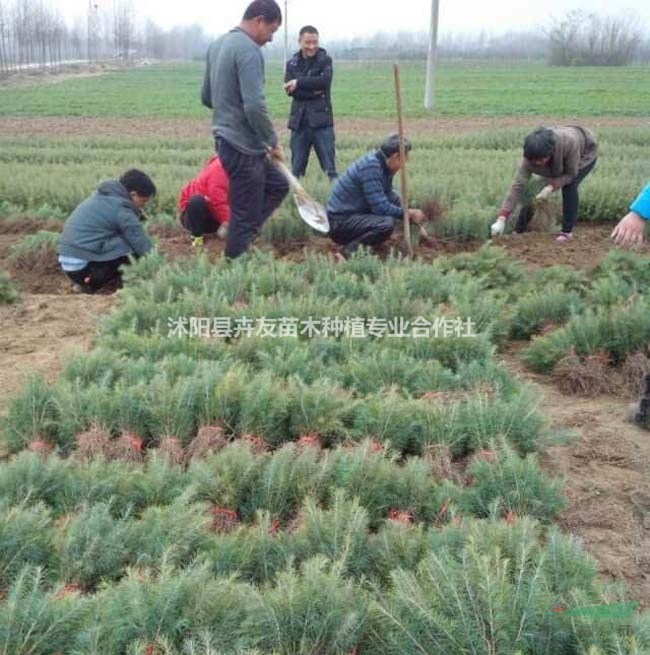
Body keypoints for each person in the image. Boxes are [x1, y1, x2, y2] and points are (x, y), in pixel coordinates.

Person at [201, 0, 289, 259]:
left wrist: (227, 110)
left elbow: (207, 97)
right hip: (243, 146)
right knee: (245, 210)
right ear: (259, 20)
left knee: (278, 183)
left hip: (225, 140)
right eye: (271, 31)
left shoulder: (217, 45)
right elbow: (254, 106)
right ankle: (235, 262)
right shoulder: (249, 50)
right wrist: (272, 140)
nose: (271, 39)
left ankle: (243, 232)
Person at [491, 125, 598, 242]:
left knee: (569, 186)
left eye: (541, 159)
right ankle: (519, 229)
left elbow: (570, 174)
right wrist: (502, 218)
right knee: (532, 190)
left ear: (550, 152)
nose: (538, 163)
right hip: (558, 157)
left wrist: (551, 187)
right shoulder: (529, 159)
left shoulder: (568, 143)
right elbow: (518, 186)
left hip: (585, 151)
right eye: (534, 161)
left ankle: (567, 232)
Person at [326, 134, 425, 259]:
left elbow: (388, 194)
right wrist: (407, 213)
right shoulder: (371, 168)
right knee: (385, 225)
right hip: (340, 222)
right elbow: (380, 207)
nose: (407, 161)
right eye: (406, 156)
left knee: (395, 200)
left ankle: (373, 243)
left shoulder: (383, 164)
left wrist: (409, 217)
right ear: (396, 157)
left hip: (353, 215)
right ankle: (346, 253)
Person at [58, 169, 155, 293]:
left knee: (122, 242)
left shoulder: (100, 197)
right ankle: (95, 285)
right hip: (84, 268)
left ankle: (83, 283)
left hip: (70, 265)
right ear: (133, 194)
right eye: (144, 201)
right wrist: (156, 264)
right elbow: (139, 240)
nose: (143, 206)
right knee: (131, 249)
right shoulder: (121, 208)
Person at [284, 25, 337, 180]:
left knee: (330, 171)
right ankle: (297, 202)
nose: (312, 46)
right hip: (299, 123)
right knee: (296, 171)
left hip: (322, 123)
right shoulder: (292, 63)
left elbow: (324, 83)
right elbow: (290, 91)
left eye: (315, 42)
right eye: (307, 42)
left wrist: (298, 82)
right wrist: (312, 89)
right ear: (300, 41)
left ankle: (335, 202)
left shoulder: (325, 60)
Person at [178, 156, 230, 247]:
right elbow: (218, 201)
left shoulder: (237, 167)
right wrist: (229, 222)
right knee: (197, 201)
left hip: (216, 214)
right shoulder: (219, 170)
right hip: (197, 216)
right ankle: (197, 240)